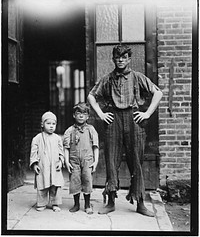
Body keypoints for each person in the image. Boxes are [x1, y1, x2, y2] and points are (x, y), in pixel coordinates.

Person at [87, 44, 163, 217]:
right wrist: (100, 113)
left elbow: (158, 93)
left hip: (134, 119)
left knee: (135, 160)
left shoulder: (138, 77)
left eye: (124, 57)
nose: (120, 60)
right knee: (111, 161)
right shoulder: (107, 78)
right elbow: (91, 95)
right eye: (117, 57)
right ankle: (111, 201)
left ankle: (140, 203)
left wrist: (147, 114)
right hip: (113, 120)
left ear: (129, 59)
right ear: (113, 59)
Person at [63, 102, 99, 214]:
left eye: (84, 113)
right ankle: (76, 204)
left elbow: (95, 146)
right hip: (74, 161)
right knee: (75, 181)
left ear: (88, 116)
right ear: (74, 115)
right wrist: (66, 161)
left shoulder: (91, 129)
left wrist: (96, 161)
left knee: (87, 180)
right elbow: (66, 148)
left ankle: (87, 204)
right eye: (78, 113)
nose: (81, 116)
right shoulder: (69, 130)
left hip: (87, 160)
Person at [30, 111, 64, 212]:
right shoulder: (37, 138)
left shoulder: (57, 138)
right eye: (48, 123)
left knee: (55, 185)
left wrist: (61, 162)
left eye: (53, 124)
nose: (51, 126)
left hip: (54, 166)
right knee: (42, 184)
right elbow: (33, 152)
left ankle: (55, 203)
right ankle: (41, 203)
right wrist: (35, 164)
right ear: (42, 124)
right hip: (43, 166)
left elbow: (61, 151)